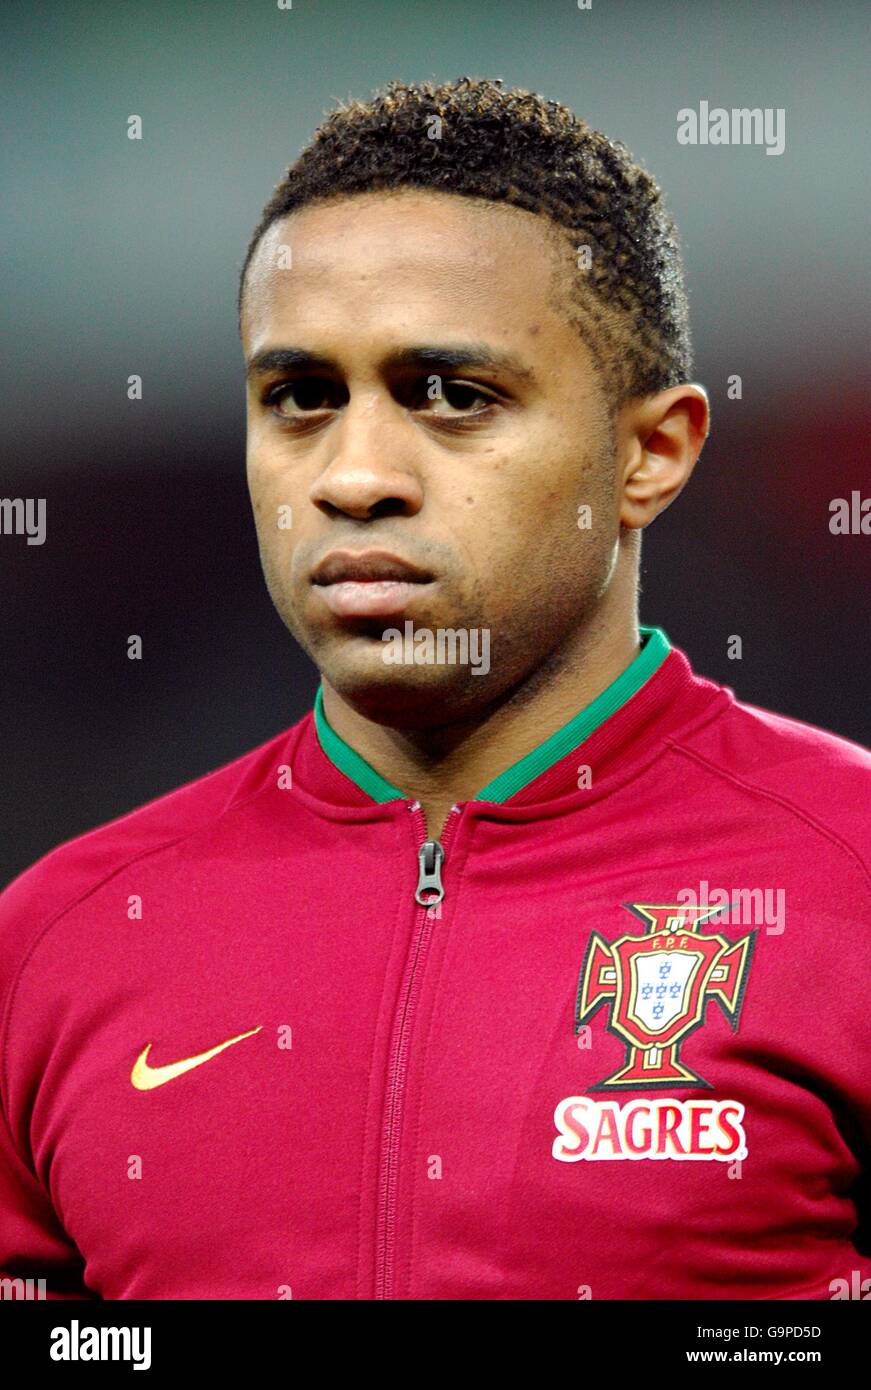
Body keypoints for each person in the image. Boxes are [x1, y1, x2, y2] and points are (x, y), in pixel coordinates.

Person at [1, 77, 868, 1301]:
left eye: (453, 396)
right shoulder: (54, 941)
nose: (355, 476)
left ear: (649, 453)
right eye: (300, 399)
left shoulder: (850, 877)